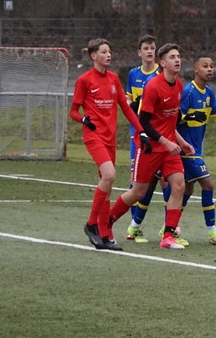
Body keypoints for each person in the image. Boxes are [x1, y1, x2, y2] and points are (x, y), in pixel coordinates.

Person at [105, 43, 195, 249]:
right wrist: (165, 142)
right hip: (149, 147)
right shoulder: (153, 86)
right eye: (172, 57)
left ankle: (168, 236)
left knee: (179, 185)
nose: (177, 60)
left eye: (178, 56)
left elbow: (169, 122)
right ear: (162, 63)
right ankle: (105, 223)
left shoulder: (179, 86)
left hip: (169, 149)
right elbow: (143, 122)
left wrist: (181, 142)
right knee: (138, 192)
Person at [163, 55, 216, 246]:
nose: (209, 69)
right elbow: (173, 119)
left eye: (211, 66)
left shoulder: (208, 92)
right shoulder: (188, 92)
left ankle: (168, 226)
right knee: (208, 185)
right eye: (205, 66)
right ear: (196, 69)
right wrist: (191, 115)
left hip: (196, 149)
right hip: (186, 149)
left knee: (187, 188)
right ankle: (212, 232)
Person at [70, 38, 143, 250]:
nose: (108, 55)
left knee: (107, 185)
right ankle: (91, 224)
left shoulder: (113, 78)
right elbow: (73, 111)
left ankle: (104, 235)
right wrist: (83, 119)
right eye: (103, 52)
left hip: (110, 138)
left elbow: (126, 108)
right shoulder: (84, 80)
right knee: (109, 175)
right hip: (94, 136)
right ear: (94, 56)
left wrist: (141, 130)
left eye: (109, 51)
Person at [123, 34, 161, 243]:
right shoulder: (133, 74)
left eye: (152, 48)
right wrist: (132, 104)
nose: (149, 51)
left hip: (157, 134)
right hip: (137, 134)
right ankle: (134, 227)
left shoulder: (160, 74)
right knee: (136, 180)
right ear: (139, 52)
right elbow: (128, 99)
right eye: (146, 48)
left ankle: (170, 227)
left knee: (166, 181)